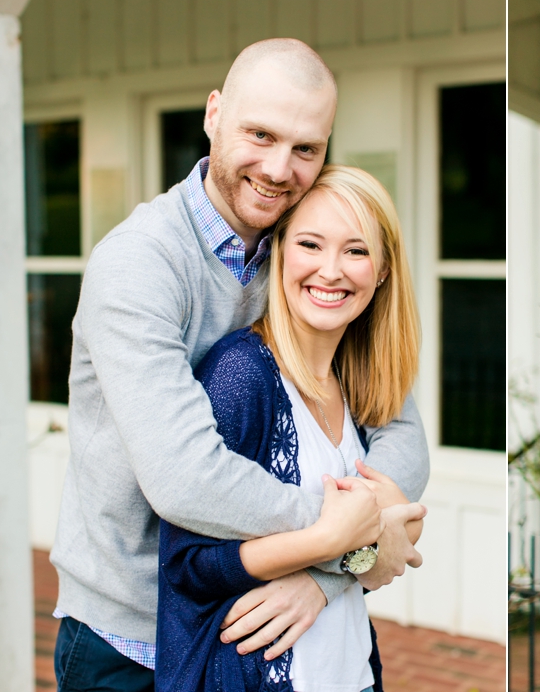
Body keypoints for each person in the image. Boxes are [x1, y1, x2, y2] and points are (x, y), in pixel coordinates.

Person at [53, 39, 428, 692]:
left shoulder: (303, 254)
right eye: (260, 134)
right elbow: (186, 478)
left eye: (306, 149)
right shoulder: (141, 263)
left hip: (254, 622)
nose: (280, 168)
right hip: (132, 637)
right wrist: (351, 538)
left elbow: (398, 428)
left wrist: (326, 569)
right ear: (213, 114)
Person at [157, 165, 425, 692]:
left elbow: (402, 524)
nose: (331, 270)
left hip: (351, 675)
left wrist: (327, 573)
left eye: (356, 250)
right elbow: (186, 566)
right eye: (310, 244)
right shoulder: (241, 374)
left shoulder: (359, 381)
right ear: (280, 251)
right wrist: (336, 541)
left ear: (384, 269)